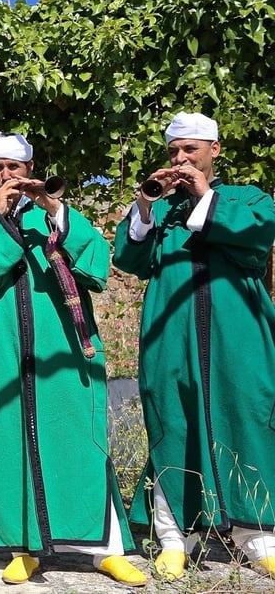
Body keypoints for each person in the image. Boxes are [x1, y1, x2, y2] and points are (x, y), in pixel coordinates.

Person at [0, 132, 146, 587]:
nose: (9, 176)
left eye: (16, 167)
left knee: (80, 441)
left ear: (31, 167)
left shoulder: (58, 218)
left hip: (66, 352)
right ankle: (22, 548)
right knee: (8, 443)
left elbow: (96, 266)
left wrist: (54, 210)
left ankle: (106, 550)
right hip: (4, 356)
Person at [113, 112, 275, 580]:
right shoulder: (161, 210)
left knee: (247, 416)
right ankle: (172, 539)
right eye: (174, 151)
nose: (180, 159)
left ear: (214, 150)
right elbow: (130, 258)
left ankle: (258, 536)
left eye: (190, 150)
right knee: (172, 424)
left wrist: (205, 195)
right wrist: (144, 206)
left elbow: (257, 236)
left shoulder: (246, 198)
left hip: (238, 335)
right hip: (170, 340)